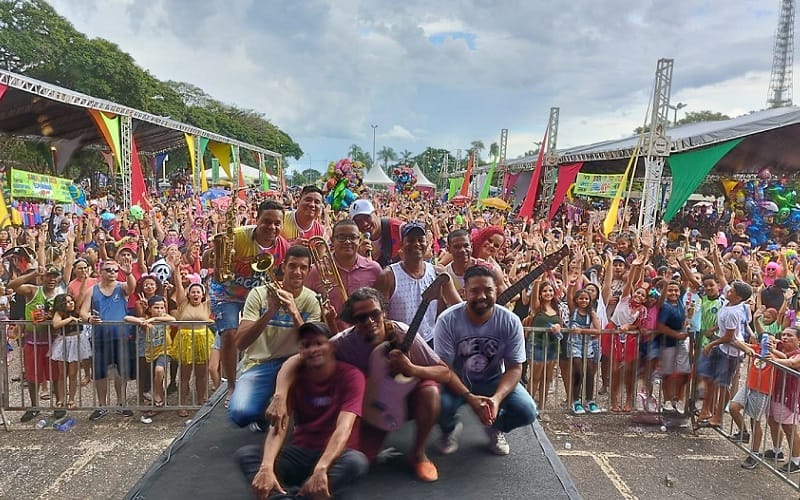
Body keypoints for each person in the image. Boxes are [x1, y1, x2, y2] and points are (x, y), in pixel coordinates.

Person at [268, 287, 450, 483]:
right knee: (359, 461)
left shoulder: (402, 332)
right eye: (362, 317)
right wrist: (279, 395)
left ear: (384, 312)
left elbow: (444, 371)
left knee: (430, 391)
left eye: (375, 314)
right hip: (371, 406)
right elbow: (298, 360)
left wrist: (414, 369)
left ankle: (418, 454)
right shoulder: (342, 343)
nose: (370, 321)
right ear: (353, 321)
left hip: (405, 398)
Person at [234, 322, 368, 499]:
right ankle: (293, 495)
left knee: (356, 461)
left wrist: (322, 467)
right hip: (301, 452)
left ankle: (291, 496)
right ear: (300, 351)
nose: (312, 349)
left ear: (331, 346)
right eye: (306, 345)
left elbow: (343, 429)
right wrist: (266, 467)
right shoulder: (295, 378)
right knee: (247, 455)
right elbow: (278, 428)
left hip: (334, 456)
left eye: (318, 343)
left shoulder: (351, 376)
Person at [435, 265, 538, 457]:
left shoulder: (510, 321)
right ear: (464, 292)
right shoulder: (447, 320)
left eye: (488, 290)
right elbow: (445, 369)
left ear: (497, 291)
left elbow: (515, 368)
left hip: (493, 379)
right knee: (435, 402)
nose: (482, 296)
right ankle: (449, 429)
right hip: (456, 379)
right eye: (475, 291)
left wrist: (496, 399)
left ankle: (495, 428)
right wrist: (469, 398)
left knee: (527, 410)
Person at [229, 245, 321, 429]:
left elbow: (314, 346)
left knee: (316, 408)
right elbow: (240, 343)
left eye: (303, 267)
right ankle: (264, 408)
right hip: (259, 364)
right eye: (292, 266)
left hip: (295, 365)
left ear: (309, 270)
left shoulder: (311, 300)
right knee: (240, 414)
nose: (297, 272)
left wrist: (295, 313)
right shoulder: (259, 294)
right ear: (283, 266)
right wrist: (271, 310)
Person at [209, 199, 290, 405]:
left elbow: (282, 275)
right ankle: (231, 386)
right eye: (266, 221)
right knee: (229, 334)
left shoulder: (283, 247)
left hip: (255, 294)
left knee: (266, 336)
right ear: (257, 219)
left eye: (277, 223)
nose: (272, 227)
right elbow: (206, 258)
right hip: (225, 292)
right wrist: (214, 255)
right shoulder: (236, 237)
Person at [375, 221, 461, 347]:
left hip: (430, 343)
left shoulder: (438, 274)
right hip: (399, 345)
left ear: (427, 243)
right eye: (410, 240)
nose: (416, 244)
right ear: (402, 244)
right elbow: (380, 317)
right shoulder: (388, 276)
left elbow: (459, 308)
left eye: (421, 239)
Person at [80, 257, 137, 420]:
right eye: (108, 270)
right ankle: (102, 405)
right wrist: (89, 318)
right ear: (100, 272)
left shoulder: (121, 287)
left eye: (115, 270)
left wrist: (129, 273)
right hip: (99, 338)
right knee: (100, 373)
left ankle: (121, 403)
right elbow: (83, 312)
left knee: (121, 372)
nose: (112, 273)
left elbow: (131, 287)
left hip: (121, 336)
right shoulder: (92, 290)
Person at [9, 264, 64, 422]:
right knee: (33, 377)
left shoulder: (61, 294)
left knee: (56, 375)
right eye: (49, 275)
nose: (52, 279)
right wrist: (33, 274)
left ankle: (59, 404)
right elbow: (12, 285)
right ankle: (34, 406)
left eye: (55, 276)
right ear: (43, 277)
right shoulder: (33, 290)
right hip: (33, 341)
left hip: (54, 342)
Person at [306, 219, 381, 332]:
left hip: (365, 336)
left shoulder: (374, 269)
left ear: (359, 240)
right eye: (341, 237)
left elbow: (382, 307)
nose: (347, 242)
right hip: (328, 338)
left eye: (352, 237)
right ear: (332, 240)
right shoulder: (316, 271)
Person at [701, 280, 753, 428]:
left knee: (723, 385)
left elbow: (729, 337)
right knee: (711, 377)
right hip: (723, 347)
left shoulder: (734, 312)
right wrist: (715, 327)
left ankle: (718, 417)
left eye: (732, 291)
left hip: (731, 351)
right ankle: (709, 410)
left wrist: (711, 344)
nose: (728, 291)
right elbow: (721, 277)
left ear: (738, 298)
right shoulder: (728, 303)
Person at [125, 295, 175, 423]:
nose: (160, 310)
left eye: (162, 307)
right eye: (156, 308)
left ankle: (158, 395)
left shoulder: (164, 318)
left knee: (159, 371)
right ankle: (159, 400)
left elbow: (173, 318)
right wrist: (142, 321)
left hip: (164, 350)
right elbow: (126, 318)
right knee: (156, 376)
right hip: (151, 353)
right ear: (150, 308)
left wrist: (154, 318)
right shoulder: (146, 319)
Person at [49, 293, 89, 410]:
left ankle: (71, 398)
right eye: (67, 302)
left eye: (71, 300)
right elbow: (56, 324)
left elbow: (81, 296)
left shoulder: (77, 311)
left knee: (73, 373)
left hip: (76, 341)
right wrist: (70, 319)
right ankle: (61, 399)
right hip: (64, 341)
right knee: (62, 374)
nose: (71, 303)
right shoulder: (60, 313)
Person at [442, 229, 506, 298]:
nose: (491, 245)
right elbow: (440, 265)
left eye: (496, 245)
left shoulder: (492, 269)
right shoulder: (459, 247)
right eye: (489, 240)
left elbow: (503, 294)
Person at [350, 199, 403, 267]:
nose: (364, 224)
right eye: (358, 221)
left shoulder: (399, 229)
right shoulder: (357, 242)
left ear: (376, 213)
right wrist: (360, 258)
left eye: (367, 217)